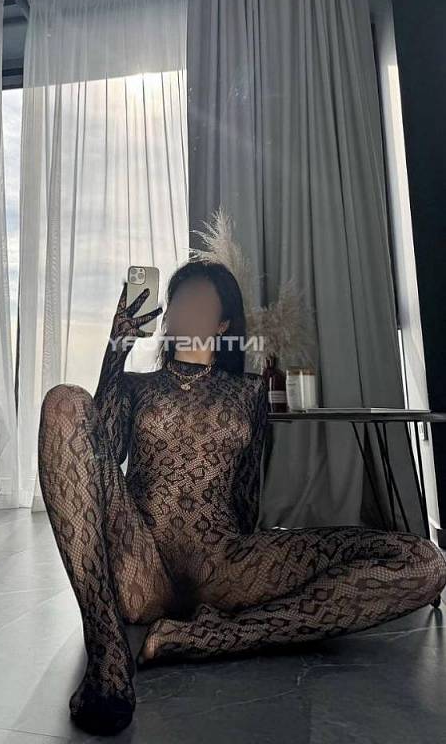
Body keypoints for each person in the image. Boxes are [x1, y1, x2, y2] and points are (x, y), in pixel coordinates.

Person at [37, 260, 446, 736]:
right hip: (141, 567)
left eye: (201, 301)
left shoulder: (250, 391)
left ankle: (215, 637)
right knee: (65, 399)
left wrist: (268, 569)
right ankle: (105, 648)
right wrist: (116, 353)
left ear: (224, 323)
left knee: (424, 561)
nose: (186, 310)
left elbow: (246, 499)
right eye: (180, 300)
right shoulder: (135, 386)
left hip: (223, 567)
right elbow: (96, 463)